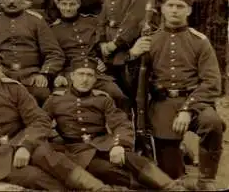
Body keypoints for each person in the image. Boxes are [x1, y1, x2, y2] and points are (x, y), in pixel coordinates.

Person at [0, 50, 116, 191]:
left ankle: (98, 188)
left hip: (22, 140)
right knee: (33, 177)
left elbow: (39, 120)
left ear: (1, 70)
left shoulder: (15, 89)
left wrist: (26, 145)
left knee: (51, 157)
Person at [128, 0, 225, 189]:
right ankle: (178, 170)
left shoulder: (200, 41)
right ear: (162, 9)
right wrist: (133, 55)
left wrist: (188, 109)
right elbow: (133, 83)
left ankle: (206, 179)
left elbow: (212, 82)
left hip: (195, 102)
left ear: (188, 11)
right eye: (170, 5)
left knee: (212, 123)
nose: (174, 10)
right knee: (171, 176)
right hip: (162, 103)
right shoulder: (150, 40)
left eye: (180, 7)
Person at [43, 57, 186, 190]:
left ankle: (172, 187)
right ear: (72, 76)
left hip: (103, 144)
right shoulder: (55, 100)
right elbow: (40, 124)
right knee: (106, 170)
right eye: (81, 74)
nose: (85, 79)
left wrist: (119, 145)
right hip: (77, 151)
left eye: (89, 75)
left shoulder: (103, 99)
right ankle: (148, 187)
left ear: (95, 79)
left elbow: (121, 123)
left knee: (134, 159)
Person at [0, 0, 64, 105]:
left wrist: (44, 74)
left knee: (42, 94)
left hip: (31, 77)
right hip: (3, 77)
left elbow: (54, 53)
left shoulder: (36, 21)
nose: (12, 1)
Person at [97, 0, 153, 107]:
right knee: (117, 97)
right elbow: (104, 15)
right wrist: (102, 42)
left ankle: (141, 131)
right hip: (109, 46)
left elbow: (136, 15)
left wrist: (116, 43)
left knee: (135, 94)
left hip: (129, 45)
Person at [51, 0, 128, 109]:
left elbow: (102, 42)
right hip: (70, 73)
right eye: (64, 4)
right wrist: (59, 74)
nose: (68, 8)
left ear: (79, 4)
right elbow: (54, 55)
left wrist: (103, 60)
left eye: (72, 4)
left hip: (96, 71)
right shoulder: (53, 30)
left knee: (116, 94)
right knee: (63, 101)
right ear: (58, 5)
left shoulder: (92, 21)